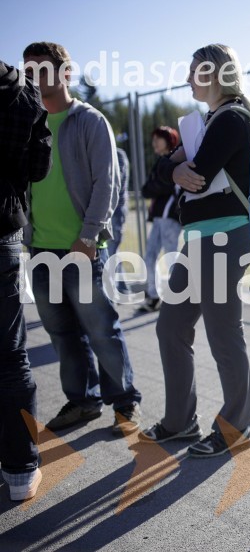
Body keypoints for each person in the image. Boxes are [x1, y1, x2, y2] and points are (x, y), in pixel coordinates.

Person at [138, 44, 250, 458]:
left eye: (195, 71)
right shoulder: (204, 123)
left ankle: (234, 428)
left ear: (215, 74)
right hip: (197, 238)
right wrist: (173, 168)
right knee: (170, 326)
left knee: (223, 333)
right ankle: (179, 422)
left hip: (226, 236)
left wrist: (176, 168)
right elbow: (158, 177)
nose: (188, 78)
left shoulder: (232, 119)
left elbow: (200, 176)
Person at [22, 42, 143, 435]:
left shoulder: (89, 120)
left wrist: (88, 237)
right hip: (41, 248)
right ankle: (82, 400)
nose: (35, 78)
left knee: (102, 329)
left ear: (65, 73)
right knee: (60, 332)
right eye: (29, 71)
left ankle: (125, 403)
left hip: (83, 248)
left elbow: (106, 183)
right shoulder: (28, 122)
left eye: (43, 69)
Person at [0, 58, 51, 500]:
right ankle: (19, 472)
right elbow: (38, 168)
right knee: (11, 356)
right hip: (2, 228)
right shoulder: (21, 91)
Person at [136, 126, 182, 313]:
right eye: (153, 138)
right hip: (157, 218)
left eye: (159, 138)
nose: (154, 142)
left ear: (170, 139)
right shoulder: (160, 163)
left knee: (172, 257)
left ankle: (178, 297)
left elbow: (158, 187)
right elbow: (147, 188)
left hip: (169, 218)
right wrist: (154, 187)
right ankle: (154, 296)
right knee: (150, 256)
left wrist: (155, 186)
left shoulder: (174, 160)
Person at [108, 147, 129, 293]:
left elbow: (115, 179)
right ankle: (122, 289)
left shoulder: (117, 154)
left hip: (115, 211)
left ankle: (112, 292)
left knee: (110, 252)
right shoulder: (114, 153)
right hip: (112, 211)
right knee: (113, 251)